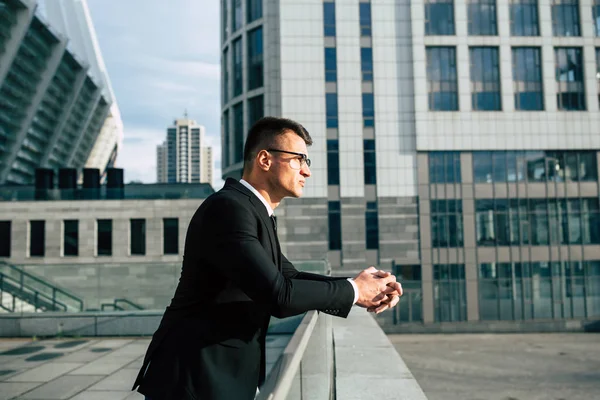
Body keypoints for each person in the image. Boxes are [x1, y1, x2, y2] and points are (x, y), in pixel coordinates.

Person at [132, 117, 403, 400]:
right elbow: (279, 296)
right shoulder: (229, 208)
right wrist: (355, 290)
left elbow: (289, 277)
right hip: (193, 380)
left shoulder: (252, 211)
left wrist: (365, 287)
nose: (307, 172)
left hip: (219, 376)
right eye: (299, 160)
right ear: (264, 159)